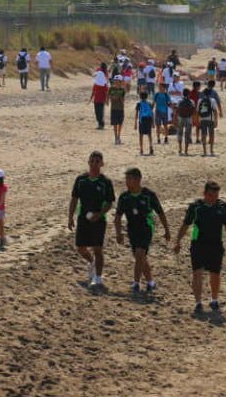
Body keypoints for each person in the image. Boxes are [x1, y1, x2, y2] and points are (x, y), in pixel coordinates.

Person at [174, 181, 226, 314]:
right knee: (197, 273)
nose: (213, 198)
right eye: (210, 195)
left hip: (215, 245)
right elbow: (185, 225)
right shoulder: (196, 207)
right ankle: (198, 303)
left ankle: (214, 300)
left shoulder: (222, 206)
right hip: (198, 245)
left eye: (215, 195)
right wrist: (178, 241)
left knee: (215, 274)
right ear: (204, 194)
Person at [114, 168, 171, 293]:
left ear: (138, 179)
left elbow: (160, 212)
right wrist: (118, 233)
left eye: (129, 179)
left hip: (146, 227)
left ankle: (136, 283)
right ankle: (151, 281)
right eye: (126, 179)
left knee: (140, 254)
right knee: (140, 257)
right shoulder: (124, 197)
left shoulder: (148, 195)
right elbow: (117, 217)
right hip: (132, 229)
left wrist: (167, 229)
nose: (127, 182)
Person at [68, 151, 116, 286]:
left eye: (97, 161)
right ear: (88, 162)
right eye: (92, 161)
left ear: (102, 164)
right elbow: (74, 199)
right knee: (81, 248)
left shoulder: (105, 182)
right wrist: (70, 217)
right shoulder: (81, 180)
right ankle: (91, 262)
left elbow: (109, 203)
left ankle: (98, 278)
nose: (94, 164)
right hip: (83, 218)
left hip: (99, 220)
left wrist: (99, 214)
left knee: (97, 249)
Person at [197, 88, 219, 156]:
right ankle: (211, 150)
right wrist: (216, 120)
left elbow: (198, 111)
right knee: (211, 134)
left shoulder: (200, 100)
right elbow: (215, 111)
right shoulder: (212, 100)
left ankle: (204, 151)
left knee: (204, 135)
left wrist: (198, 120)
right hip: (210, 119)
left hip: (202, 119)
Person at [175, 89, 195, 155]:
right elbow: (193, 111)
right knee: (187, 134)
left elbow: (177, 110)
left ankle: (180, 149)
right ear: (188, 94)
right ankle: (186, 150)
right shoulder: (192, 101)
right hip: (188, 118)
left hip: (180, 118)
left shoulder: (179, 101)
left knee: (180, 133)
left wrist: (174, 119)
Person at [134, 92, 155, 156]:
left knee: (141, 135)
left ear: (140, 97)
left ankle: (141, 149)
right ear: (147, 96)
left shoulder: (139, 104)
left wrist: (135, 123)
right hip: (148, 119)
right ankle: (151, 146)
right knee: (149, 134)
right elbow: (152, 113)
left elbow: (136, 114)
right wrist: (153, 123)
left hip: (142, 120)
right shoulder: (149, 103)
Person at [108, 75, 127, 145]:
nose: (116, 83)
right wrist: (113, 98)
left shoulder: (122, 90)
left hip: (121, 108)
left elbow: (123, 99)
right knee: (115, 124)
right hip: (114, 109)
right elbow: (109, 96)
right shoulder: (111, 88)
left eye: (118, 81)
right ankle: (116, 137)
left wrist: (119, 99)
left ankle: (118, 136)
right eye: (115, 81)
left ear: (121, 82)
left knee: (120, 123)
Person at [0, 169, 7, 249]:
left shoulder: (3, 187)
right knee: (0, 224)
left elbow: (2, 200)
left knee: (0, 224)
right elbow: (2, 200)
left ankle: (2, 239)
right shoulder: (3, 187)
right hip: (0, 208)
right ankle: (2, 239)